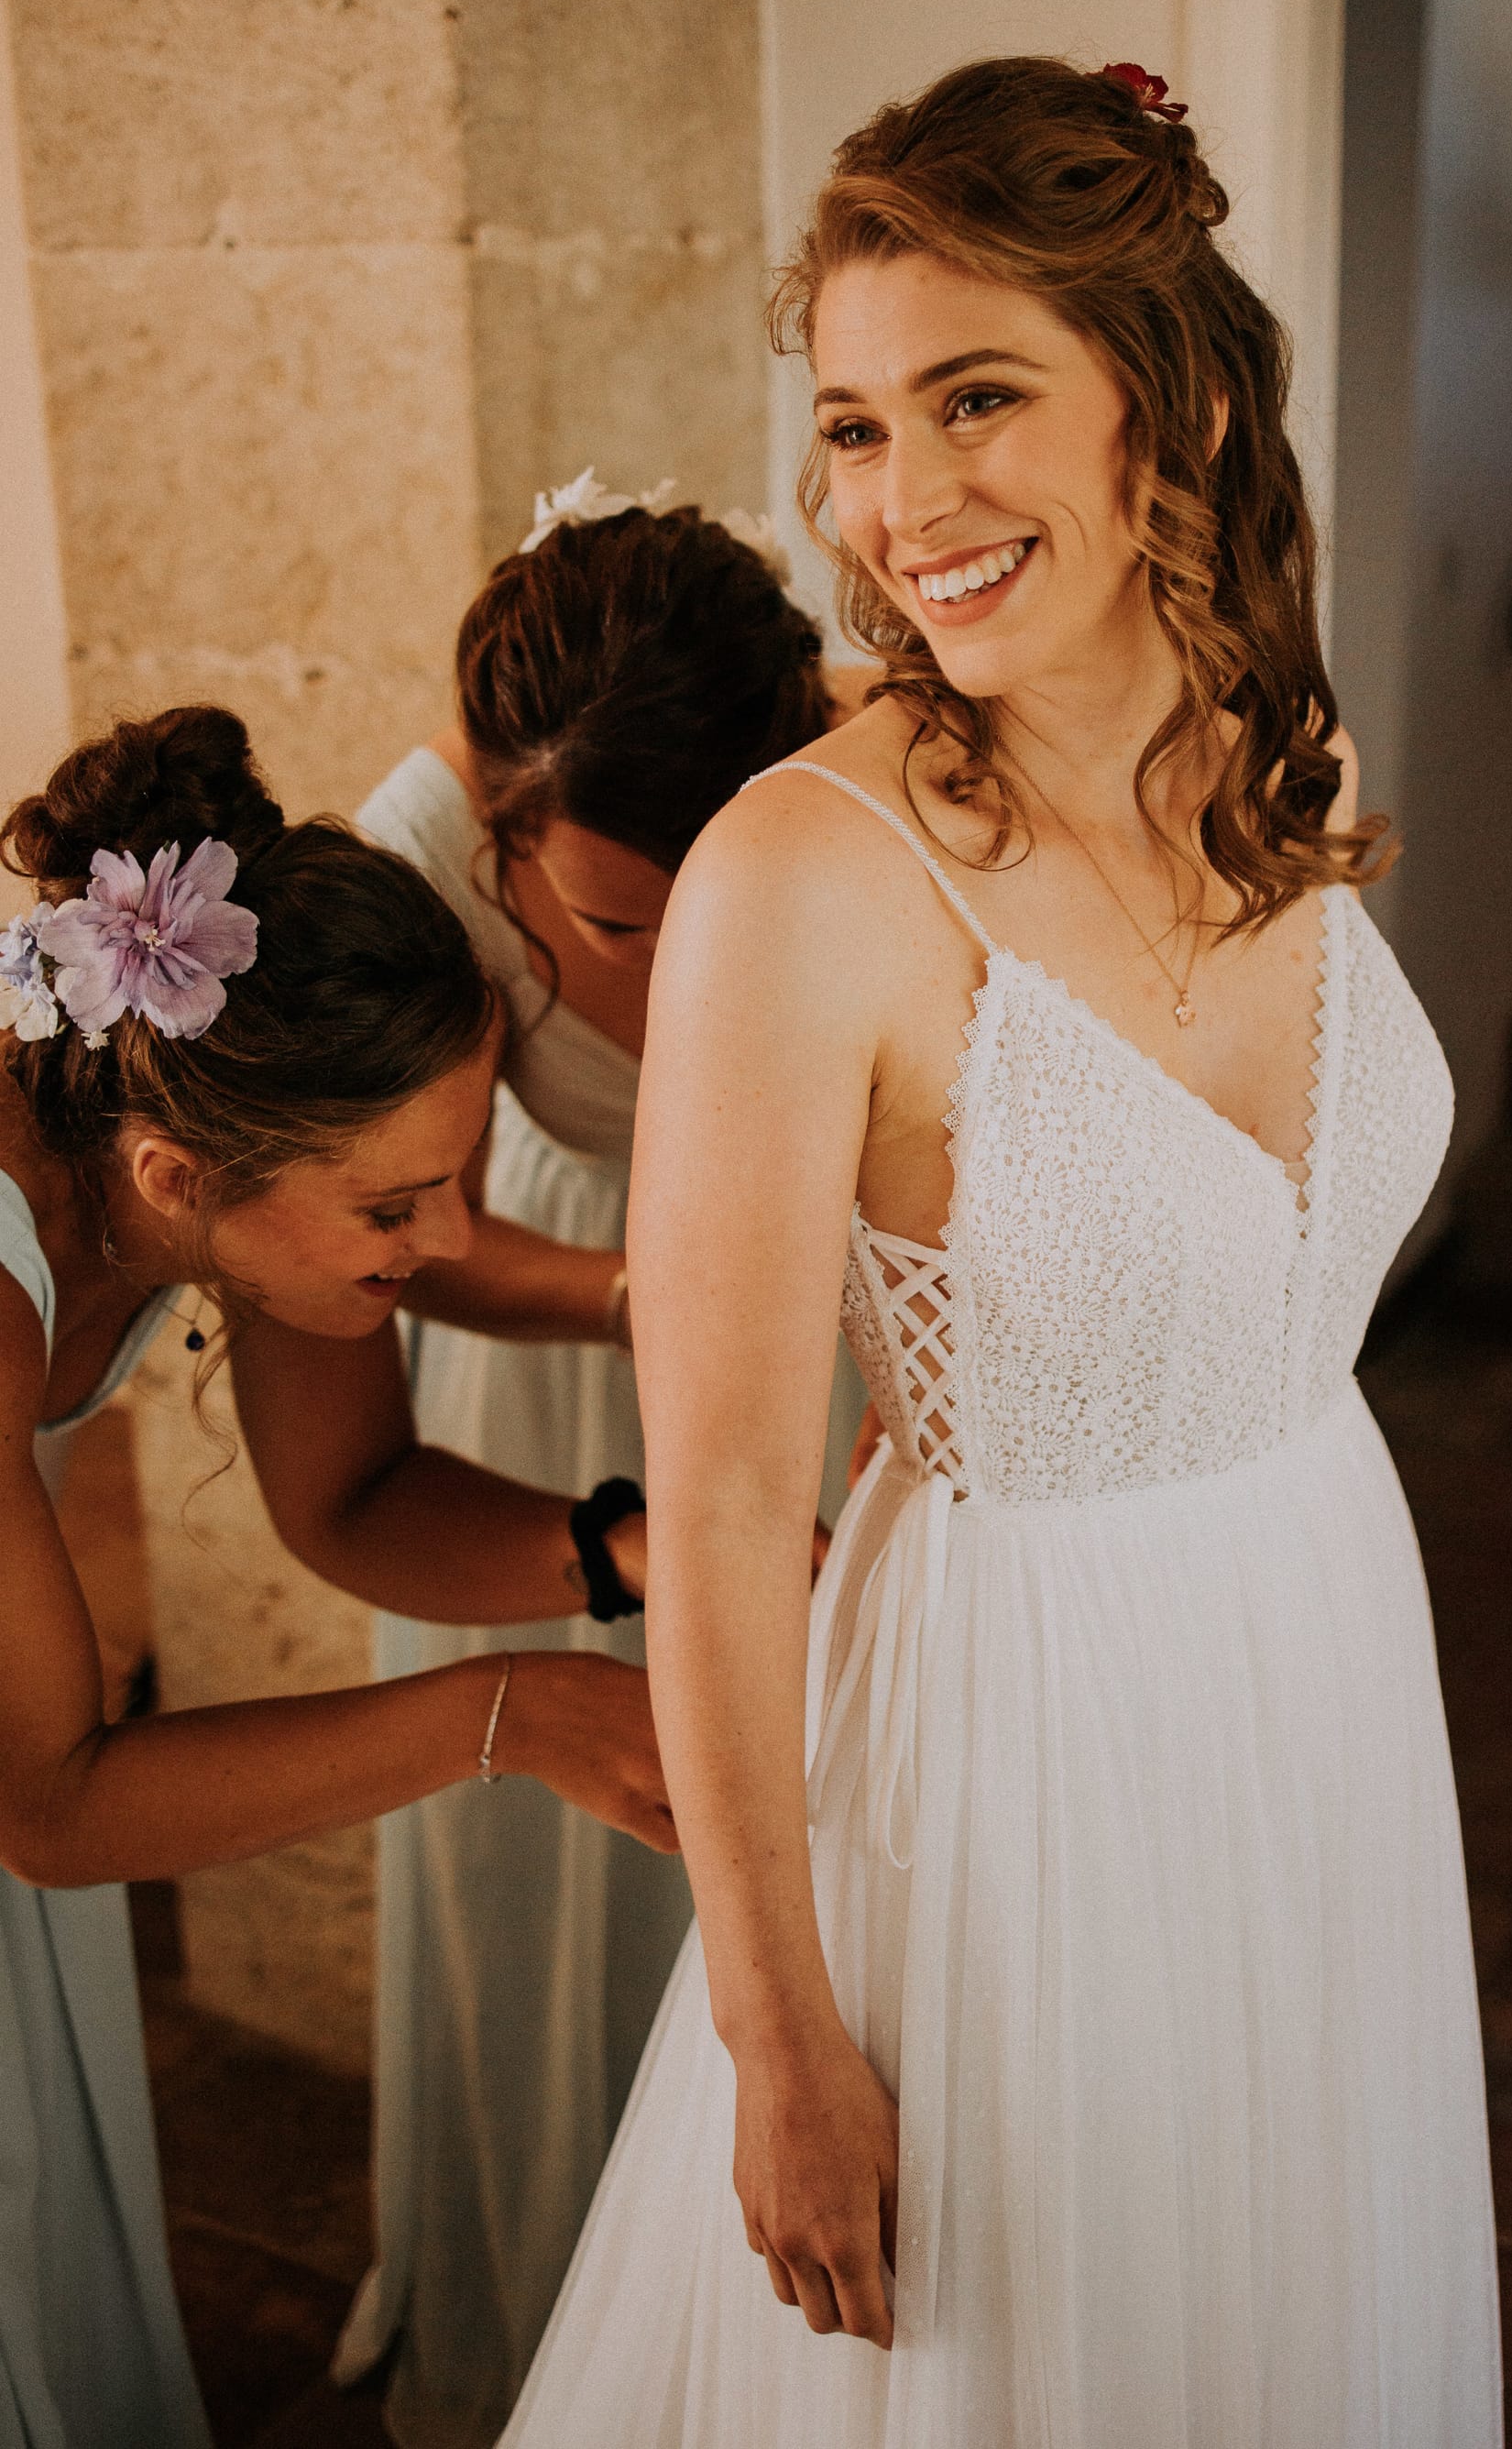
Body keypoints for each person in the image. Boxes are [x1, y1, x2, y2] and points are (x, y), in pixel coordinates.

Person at [503, 59, 1503, 2447]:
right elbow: (719, 1509)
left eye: (975, 398)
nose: (903, 504)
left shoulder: (1282, 758)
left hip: (1322, 1655)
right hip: (1018, 1755)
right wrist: (777, 2034)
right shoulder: (800, 881)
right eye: (855, 427)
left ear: (1172, 401)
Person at [0, 704, 674, 2449]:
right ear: (176, 1185)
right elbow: (52, 1807)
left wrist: (618, 1549)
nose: (444, 1245)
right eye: (394, 1211)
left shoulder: (195, 1107)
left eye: (449, 1183)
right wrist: (515, 1713)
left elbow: (354, 1500)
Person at [339, 489, 871, 2445]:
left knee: (818, 1832)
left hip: (817, 1343)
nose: (670, 965)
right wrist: (669, 1295)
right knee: (557, 1858)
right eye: (619, 925)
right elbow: (414, 1238)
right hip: (564, 1369)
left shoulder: (861, 776)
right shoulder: (419, 857)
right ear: (503, 846)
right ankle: (546, 2310)